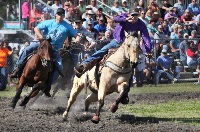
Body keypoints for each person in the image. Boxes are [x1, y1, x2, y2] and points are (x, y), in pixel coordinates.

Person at [74, 10, 152, 104]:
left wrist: (148, 50)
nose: (134, 17)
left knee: (131, 67)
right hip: (118, 41)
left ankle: (125, 93)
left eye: (136, 16)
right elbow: (116, 18)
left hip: (129, 47)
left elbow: (146, 36)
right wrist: (126, 18)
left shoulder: (141, 24)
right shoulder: (124, 17)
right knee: (102, 51)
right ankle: (83, 66)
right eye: (132, 15)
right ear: (129, 14)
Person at [10, 8, 80, 97]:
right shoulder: (49, 22)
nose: (60, 16)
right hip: (43, 45)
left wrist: (77, 39)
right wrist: (40, 36)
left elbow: (76, 35)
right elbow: (36, 28)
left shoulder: (67, 26)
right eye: (59, 14)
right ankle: (16, 70)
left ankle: (47, 84)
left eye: (62, 14)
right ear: (56, 15)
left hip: (54, 50)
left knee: (60, 66)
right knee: (26, 50)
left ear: (64, 15)